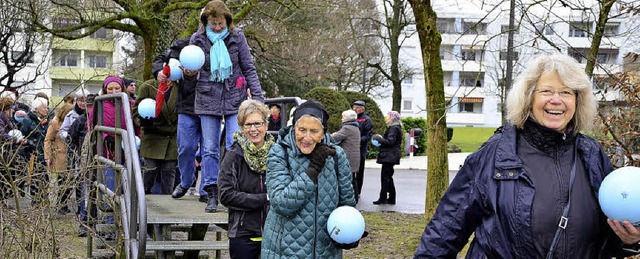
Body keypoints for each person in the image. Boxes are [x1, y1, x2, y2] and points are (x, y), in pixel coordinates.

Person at [414, 54, 640, 258]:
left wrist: (630, 239)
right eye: (547, 91)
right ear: (529, 98)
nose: (556, 100)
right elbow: (444, 233)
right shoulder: (495, 155)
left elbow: (607, 236)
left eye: (566, 92)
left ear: (577, 101)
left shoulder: (592, 155)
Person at [189, 0, 264, 213]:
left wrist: (257, 99)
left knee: (235, 142)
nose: (217, 27)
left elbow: (248, 68)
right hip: (206, 97)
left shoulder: (237, 37)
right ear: (206, 22)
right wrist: (188, 72)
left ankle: (232, 188)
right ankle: (211, 189)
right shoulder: (197, 39)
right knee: (210, 148)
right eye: (213, 23)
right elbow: (191, 69)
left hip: (234, 98)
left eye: (220, 22)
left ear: (227, 21)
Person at [261, 100, 357, 258]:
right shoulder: (279, 153)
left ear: (323, 132)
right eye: (302, 130)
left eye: (314, 131)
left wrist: (349, 233)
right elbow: (281, 204)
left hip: (326, 251)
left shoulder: (337, 155)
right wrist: (313, 169)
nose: (307, 137)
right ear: (294, 129)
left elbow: (346, 204)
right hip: (284, 251)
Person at [218, 100, 274, 259]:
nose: (253, 129)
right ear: (242, 128)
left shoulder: (278, 155)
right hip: (243, 235)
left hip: (274, 233)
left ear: (266, 125)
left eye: (258, 123)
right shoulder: (233, 156)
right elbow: (226, 195)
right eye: (248, 125)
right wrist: (264, 199)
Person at [155, 38, 206, 202]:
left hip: (211, 107)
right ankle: (186, 181)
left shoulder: (218, 44)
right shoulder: (184, 43)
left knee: (209, 151)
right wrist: (159, 72)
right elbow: (161, 58)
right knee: (185, 148)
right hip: (186, 106)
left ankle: (206, 189)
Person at [133, 79, 178, 195]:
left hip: (172, 136)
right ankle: (143, 197)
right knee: (149, 170)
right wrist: (143, 120)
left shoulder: (180, 85)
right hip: (151, 135)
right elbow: (136, 111)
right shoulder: (148, 86)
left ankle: (168, 201)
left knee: (169, 170)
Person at [20, 96, 52, 202]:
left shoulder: (46, 121)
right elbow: (23, 136)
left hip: (44, 153)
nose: (47, 110)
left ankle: (43, 199)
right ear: (37, 109)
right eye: (44, 108)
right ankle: (35, 201)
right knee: (34, 178)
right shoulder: (28, 120)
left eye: (47, 108)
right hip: (33, 154)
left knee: (45, 178)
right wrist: (31, 143)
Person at [44, 103, 73, 214]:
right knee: (62, 181)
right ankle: (61, 205)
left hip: (69, 154)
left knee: (68, 182)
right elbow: (47, 140)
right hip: (59, 155)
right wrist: (48, 156)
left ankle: (63, 204)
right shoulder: (55, 123)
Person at [372, 111, 402, 205]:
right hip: (392, 156)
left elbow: (390, 141)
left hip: (389, 156)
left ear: (392, 118)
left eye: (388, 117)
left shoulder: (393, 128)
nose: (386, 119)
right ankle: (391, 198)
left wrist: (380, 139)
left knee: (385, 178)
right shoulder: (397, 128)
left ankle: (383, 198)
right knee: (388, 177)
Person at [330, 109, 361, 202]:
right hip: (355, 157)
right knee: (352, 178)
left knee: (347, 179)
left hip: (348, 157)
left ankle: (351, 198)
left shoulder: (347, 128)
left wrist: (323, 135)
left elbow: (335, 137)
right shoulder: (356, 127)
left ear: (347, 119)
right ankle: (355, 196)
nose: (341, 119)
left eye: (343, 117)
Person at [352, 100, 373, 201]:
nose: (354, 109)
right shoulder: (352, 118)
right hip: (351, 150)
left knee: (359, 172)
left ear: (362, 108)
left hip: (360, 150)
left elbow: (369, 135)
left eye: (357, 107)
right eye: (354, 107)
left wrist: (359, 140)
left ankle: (358, 191)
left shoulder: (366, 120)